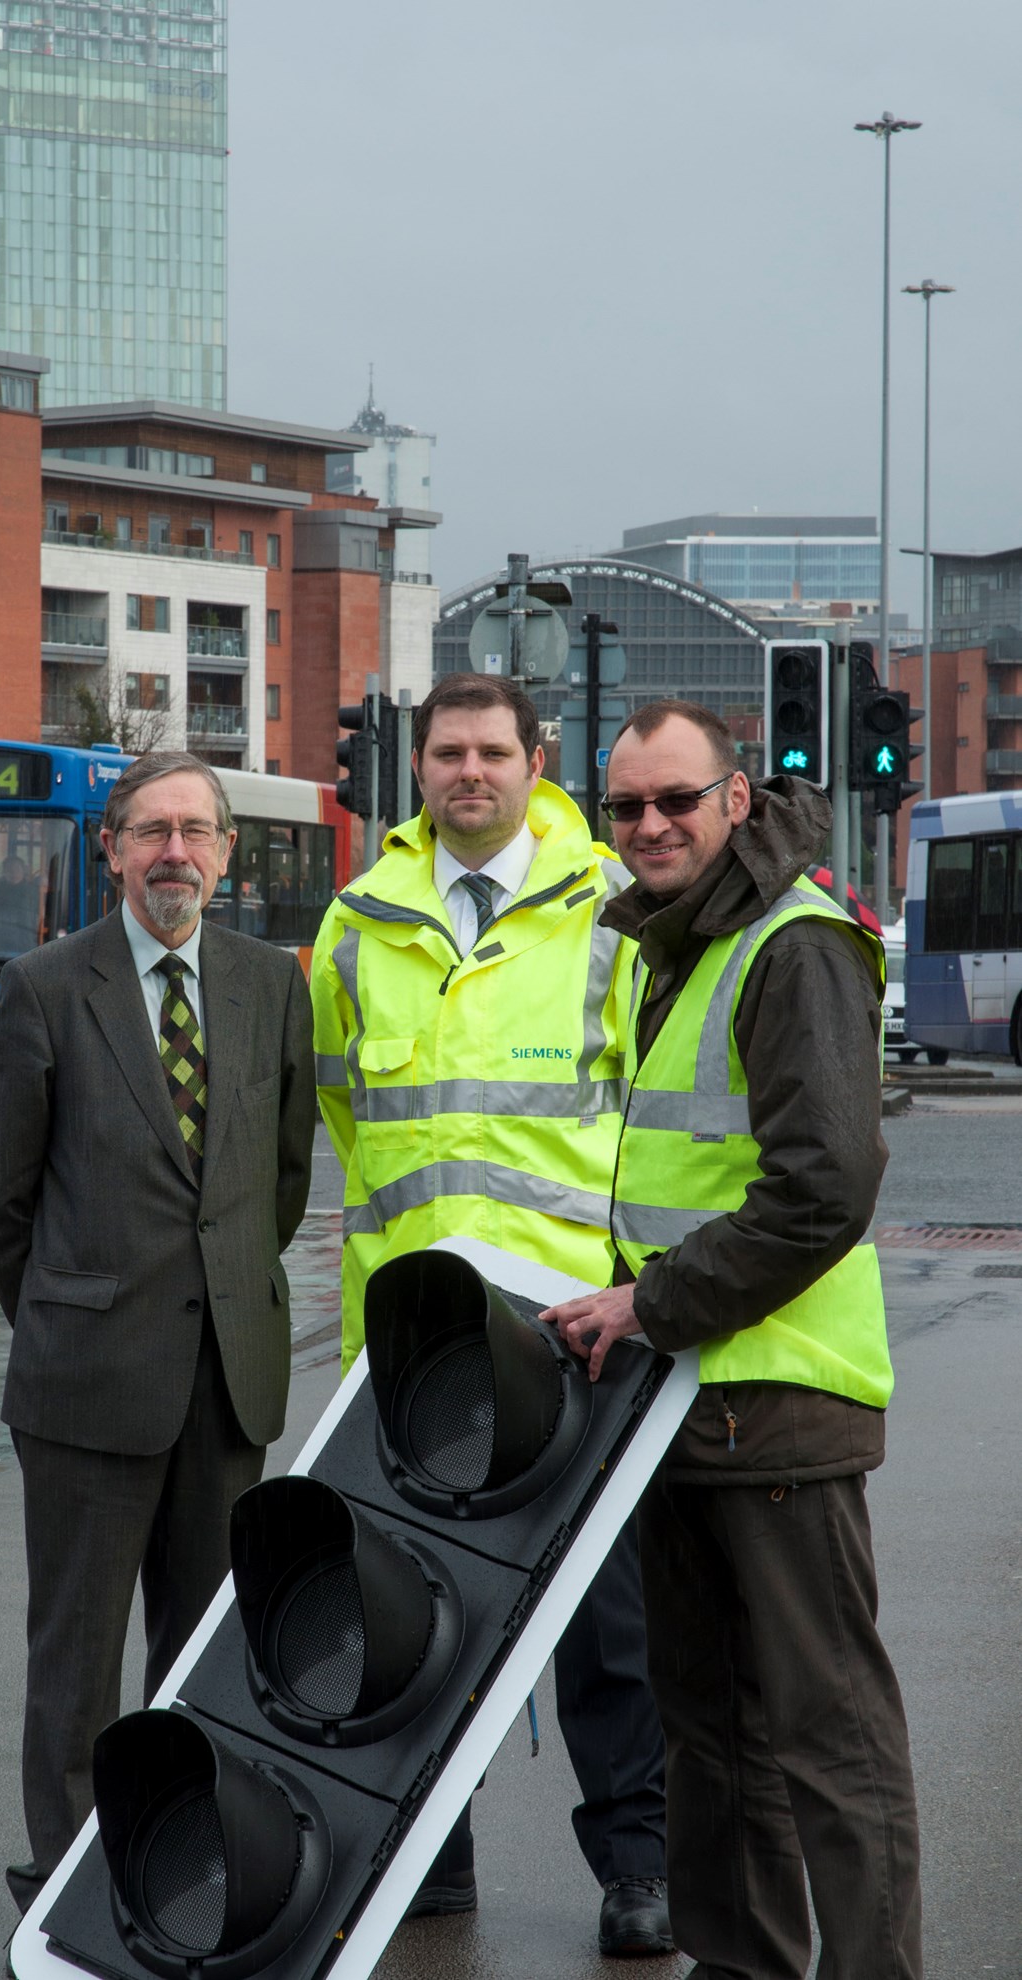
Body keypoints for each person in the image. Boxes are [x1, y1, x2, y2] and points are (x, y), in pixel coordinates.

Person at [543, 699, 922, 1980]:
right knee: (709, 1736)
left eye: (675, 801)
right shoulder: (681, 941)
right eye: (626, 807)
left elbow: (821, 1189)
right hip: (684, 1405)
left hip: (778, 1405)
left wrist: (646, 1305)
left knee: (829, 1741)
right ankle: (740, 1963)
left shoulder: (793, 943)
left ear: (736, 801)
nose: (649, 826)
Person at [310, 674, 674, 1958]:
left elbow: (651, 1118)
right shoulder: (355, 923)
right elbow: (348, 1117)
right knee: (417, 1623)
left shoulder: (614, 913)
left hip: (573, 1329)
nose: (469, 772)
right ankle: (431, 1863)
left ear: (538, 762)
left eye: (490, 752)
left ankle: (641, 1868)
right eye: (446, 753)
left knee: (605, 1624)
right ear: (414, 769)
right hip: (409, 1347)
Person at [0, 749, 317, 1916]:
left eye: (197, 831)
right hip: (85, 1387)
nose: (176, 852)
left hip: (227, 1380)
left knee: (204, 1656)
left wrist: (217, 1292)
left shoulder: (272, 983)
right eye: (151, 830)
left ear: (226, 853)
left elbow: (282, 1174)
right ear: (109, 848)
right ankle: (67, 1880)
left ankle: (182, 1860)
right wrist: (70, 1316)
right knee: (74, 1664)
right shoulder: (45, 986)